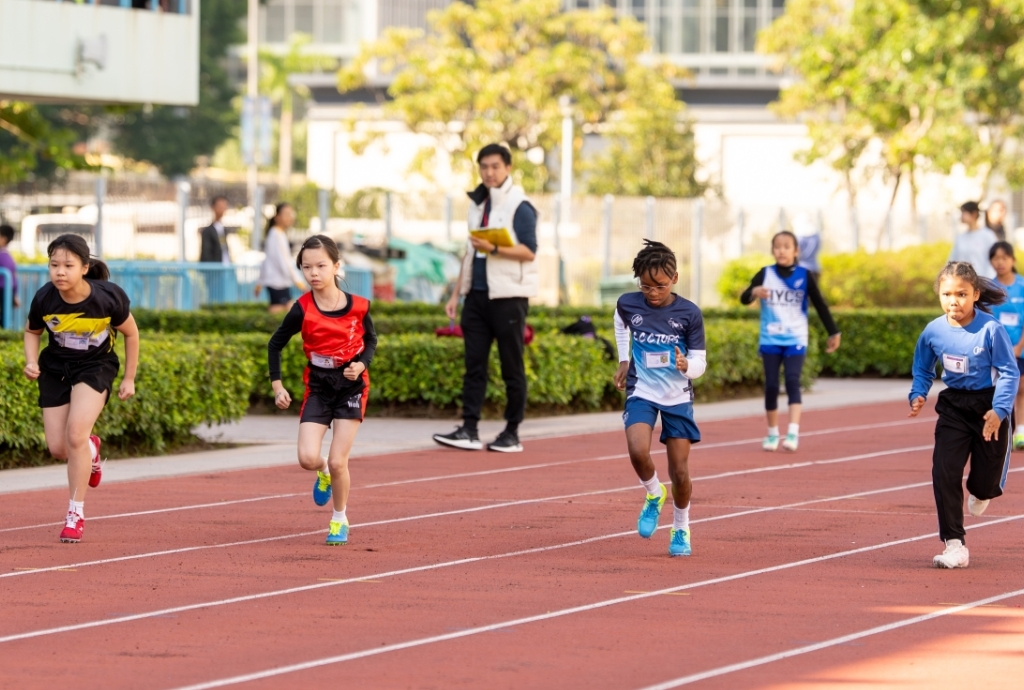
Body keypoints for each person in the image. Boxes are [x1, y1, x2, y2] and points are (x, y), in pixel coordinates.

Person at [22, 234, 139, 544]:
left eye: (68, 265)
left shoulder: (108, 298)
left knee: (75, 434)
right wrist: (31, 361)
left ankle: (75, 513)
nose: (60, 272)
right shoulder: (45, 298)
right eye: (54, 265)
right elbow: (32, 331)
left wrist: (129, 378)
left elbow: (132, 334)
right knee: (59, 448)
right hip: (55, 369)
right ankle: (91, 449)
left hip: (95, 367)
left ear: (85, 267)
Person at [267, 235, 377, 546]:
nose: (313, 273)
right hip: (318, 385)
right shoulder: (301, 308)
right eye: (306, 267)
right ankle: (323, 471)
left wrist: (362, 364)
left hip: (351, 386)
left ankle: (339, 519)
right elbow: (275, 344)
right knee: (307, 458)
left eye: (320, 266)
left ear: (336, 266)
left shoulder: (358, 306)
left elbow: (371, 340)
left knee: (340, 460)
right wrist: (277, 386)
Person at [908, 261, 1018, 569]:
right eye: (946, 294)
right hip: (954, 407)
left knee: (983, 485)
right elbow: (923, 368)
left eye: (961, 294)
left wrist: (999, 410)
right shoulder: (933, 331)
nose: (953, 301)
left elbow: (1009, 372)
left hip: (989, 408)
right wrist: (918, 393)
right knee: (944, 471)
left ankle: (982, 492)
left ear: (975, 295)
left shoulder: (990, 329)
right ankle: (954, 544)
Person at [433, 144, 538, 453]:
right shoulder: (477, 204)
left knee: (511, 367)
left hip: (508, 297)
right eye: (484, 167)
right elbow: (469, 253)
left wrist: (494, 248)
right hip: (476, 297)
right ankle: (469, 429)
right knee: (474, 366)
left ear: (508, 168)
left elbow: (530, 251)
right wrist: (456, 294)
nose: (489, 172)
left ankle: (512, 432)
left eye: (495, 166)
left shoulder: (520, 205)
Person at [614, 240, 706, 557]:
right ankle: (654, 494)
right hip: (642, 389)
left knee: (679, 471)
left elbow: (700, 363)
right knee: (638, 451)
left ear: (675, 279)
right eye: (646, 286)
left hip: (677, 396)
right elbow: (620, 322)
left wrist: (687, 365)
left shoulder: (689, 313)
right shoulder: (628, 304)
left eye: (661, 286)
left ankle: (681, 527)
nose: (652, 293)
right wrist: (623, 359)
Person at [741, 231, 841, 452]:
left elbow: (821, 305)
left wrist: (833, 332)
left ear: (796, 251)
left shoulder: (805, 276)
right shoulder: (765, 274)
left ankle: (793, 433)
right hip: (770, 338)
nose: (781, 251)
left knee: (793, 381)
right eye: (777, 247)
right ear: (772, 250)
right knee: (771, 385)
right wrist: (754, 292)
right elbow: (744, 298)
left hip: (796, 337)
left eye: (787, 247)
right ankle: (772, 433)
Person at [988, 242, 1024, 451]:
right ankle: (1002, 430)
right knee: (1000, 390)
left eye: (1004, 258)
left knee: (1021, 389)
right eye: (995, 258)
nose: (1000, 262)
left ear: (1012, 260)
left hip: (1019, 349)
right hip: (997, 351)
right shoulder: (989, 288)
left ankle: (1021, 431)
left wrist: (1019, 346)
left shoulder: (1022, 286)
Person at [256, 202, 306, 314]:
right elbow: (284, 262)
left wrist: (259, 283)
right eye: (286, 214)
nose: (290, 217)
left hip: (280, 282)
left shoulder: (278, 234)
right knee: (281, 310)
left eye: (291, 214)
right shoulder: (276, 235)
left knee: (288, 309)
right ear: (277, 217)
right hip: (277, 283)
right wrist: (300, 283)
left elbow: (267, 261)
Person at [950, 201, 998, 279]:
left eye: (963, 212)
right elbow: (953, 260)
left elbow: (994, 258)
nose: (961, 216)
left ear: (974, 214)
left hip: (983, 281)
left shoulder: (987, 235)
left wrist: (988, 281)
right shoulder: (960, 237)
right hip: (963, 281)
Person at [199, 196, 232, 265]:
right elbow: (206, 253)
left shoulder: (223, 230)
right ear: (213, 207)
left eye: (224, 206)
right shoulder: (207, 231)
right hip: (215, 268)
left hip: (225, 267)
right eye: (219, 206)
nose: (222, 209)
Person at [0, 224, 20, 329]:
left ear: (3, 239)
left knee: (3, 318)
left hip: (3, 290)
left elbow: (11, 277)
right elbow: (14, 278)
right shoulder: (7, 255)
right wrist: (15, 294)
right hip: (7, 290)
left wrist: (14, 294)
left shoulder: (4, 256)